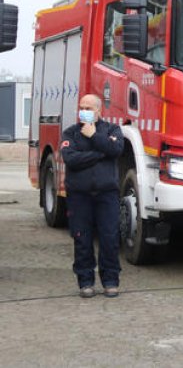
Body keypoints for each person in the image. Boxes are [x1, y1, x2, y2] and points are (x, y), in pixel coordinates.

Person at [60, 93, 123, 298]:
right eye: (82, 107)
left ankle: (111, 281)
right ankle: (85, 281)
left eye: (88, 108)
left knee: (110, 238)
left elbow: (116, 149)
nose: (84, 111)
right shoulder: (70, 133)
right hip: (79, 196)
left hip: (107, 195)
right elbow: (71, 159)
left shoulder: (112, 130)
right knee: (82, 238)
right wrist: (99, 154)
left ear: (98, 111)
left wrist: (94, 136)